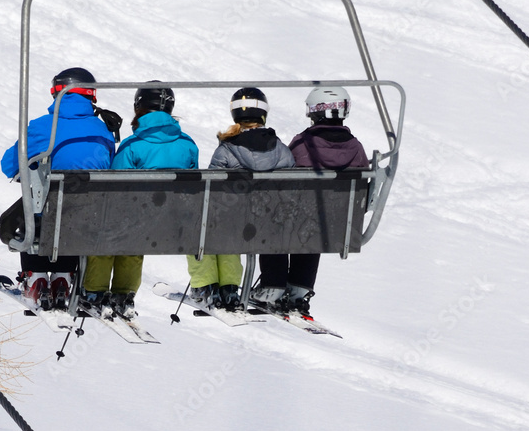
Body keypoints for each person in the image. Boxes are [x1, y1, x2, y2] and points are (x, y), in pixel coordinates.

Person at [0, 67, 120, 310]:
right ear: (91, 96)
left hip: (45, 216)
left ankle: (36, 279)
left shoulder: (43, 127)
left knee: (35, 206)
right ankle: (63, 279)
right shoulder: (103, 131)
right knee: (73, 212)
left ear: (57, 93)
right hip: (88, 219)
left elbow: (9, 165)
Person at [80, 85, 199, 318]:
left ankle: (95, 292)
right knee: (134, 235)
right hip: (171, 223)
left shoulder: (133, 145)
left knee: (109, 231)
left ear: (138, 107)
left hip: (134, 221)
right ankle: (124, 294)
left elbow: (113, 187)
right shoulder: (188, 144)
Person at [251, 86, 369, 316]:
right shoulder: (357, 149)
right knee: (314, 225)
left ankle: (272, 287)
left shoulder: (303, 144)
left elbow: (282, 175)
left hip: (294, 220)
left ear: (313, 112)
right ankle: (299, 289)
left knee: (276, 222)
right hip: (336, 224)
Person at [187, 88, 294, 311]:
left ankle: (208, 287)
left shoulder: (227, 150)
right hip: (270, 226)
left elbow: (212, 193)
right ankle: (231, 289)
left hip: (234, 224)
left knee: (213, 222)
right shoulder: (283, 151)